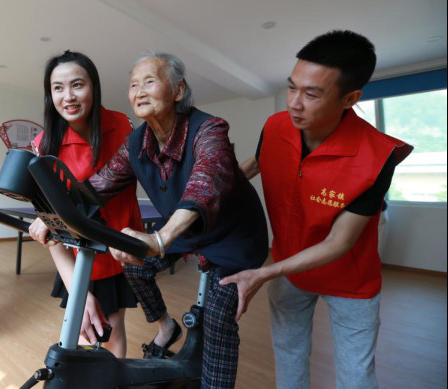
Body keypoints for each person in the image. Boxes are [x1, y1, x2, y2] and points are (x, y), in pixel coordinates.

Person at [220, 30, 413, 388]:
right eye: (292, 87)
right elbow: (256, 164)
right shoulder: (276, 126)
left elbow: (340, 242)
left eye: (311, 94)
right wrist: (209, 195)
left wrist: (264, 273)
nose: (294, 103)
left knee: (356, 376)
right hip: (288, 268)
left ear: (350, 98)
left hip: (349, 280)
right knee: (289, 355)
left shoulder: (377, 155)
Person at [88, 52, 269, 388]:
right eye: (133, 85)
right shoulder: (135, 143)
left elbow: (203, 186)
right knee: (135, 266)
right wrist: (51, 209)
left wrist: (159, 239)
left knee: (217, 318)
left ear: (177, 90)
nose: (139, 91)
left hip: (236, 240)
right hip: (187, 232)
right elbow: (97, 186)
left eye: (149, 82)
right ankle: (166, 327)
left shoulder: (209, 130)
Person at [28, 50, 143, 358]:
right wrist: (79, 292)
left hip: (117, 251)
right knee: (82, 333)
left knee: (111, 335)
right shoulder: (44, 144)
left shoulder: (122, 128)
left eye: (77, 85)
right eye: (58, 88)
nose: (68, 96)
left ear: (94, 86)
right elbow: (51, 231)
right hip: (75, 258)